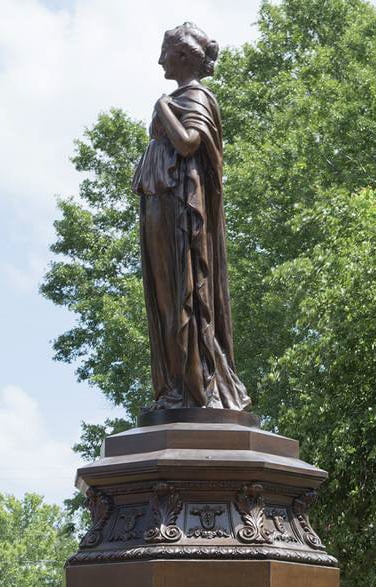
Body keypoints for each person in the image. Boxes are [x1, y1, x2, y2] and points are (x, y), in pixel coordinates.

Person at [133, 22, 251, 411]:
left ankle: (195, 384)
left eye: (164, 52)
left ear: (183, 56)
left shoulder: (196, 97)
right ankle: (173, 387)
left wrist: (162, 107)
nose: (159, 59)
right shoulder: (180, 98)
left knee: (185, 298)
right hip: (160, 209)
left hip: (183, 218)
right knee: (165, 300)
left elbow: (186, 144)